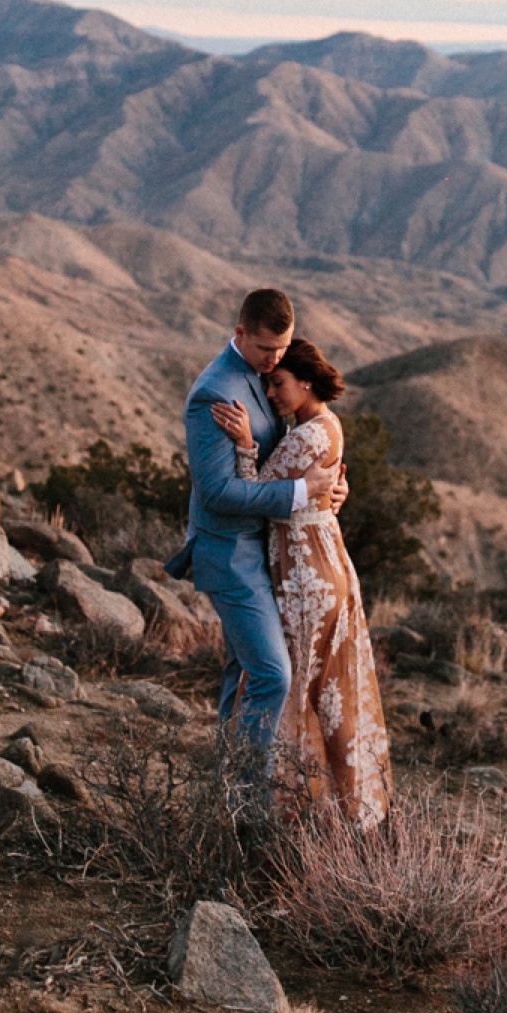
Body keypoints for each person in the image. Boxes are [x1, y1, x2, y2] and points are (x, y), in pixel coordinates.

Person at [212, 338, 392, 828]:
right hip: (310, 566)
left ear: (306, 381)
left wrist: (247, 445)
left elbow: (257, 492)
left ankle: (307, 811)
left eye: (279, 383)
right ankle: (324, 808)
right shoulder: (316, 427)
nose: (271, 394)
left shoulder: (311, 435)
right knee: (315, 690)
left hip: (308, 576)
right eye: (269, 383)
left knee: (303, 690)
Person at [168, 288, 341, 751]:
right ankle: (250, 803)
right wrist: (303, 492)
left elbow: (288, 450)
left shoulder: (268, 376)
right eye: (266, 348)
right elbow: (218, 492)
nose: (275, 359)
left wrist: (327, 491)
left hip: (267, 550)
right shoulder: (215, 393)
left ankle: (227, 793)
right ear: (240, 333)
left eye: (282, 348)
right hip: (231, 554)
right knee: (272, 674)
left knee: (241, 674)